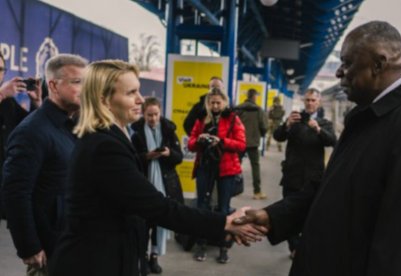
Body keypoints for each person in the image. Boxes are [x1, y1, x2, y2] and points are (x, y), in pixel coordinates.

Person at [234, 21, 401, 276]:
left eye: (347, 63)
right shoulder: (369, 116)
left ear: (379, 64)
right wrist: (273, 216)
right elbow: (330, 189)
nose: (340, 72)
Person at [48, 60, 263, 276]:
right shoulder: (104, 146)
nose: (141, 100)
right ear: (104, 100)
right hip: (93, 264)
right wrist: (224, 223)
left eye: (138, 91)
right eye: (131, 93)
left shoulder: (108, 138)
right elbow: (157, 207)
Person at [2, 54, 87, 275]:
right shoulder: (31, 131)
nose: (85, 89)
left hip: (71, 242)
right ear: (54, 86)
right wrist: (29, 246)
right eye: (77, 82)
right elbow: (16, 193)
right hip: (49, 249)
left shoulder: (71, 125)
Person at [273, 88, 336, 258]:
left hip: (313, 178)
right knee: (288, 213)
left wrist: (318, 130)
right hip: (292, 175)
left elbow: (333, 141)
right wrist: (286, 125)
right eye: (307, 100)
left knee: (310, 214)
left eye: (313, 100)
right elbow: (277, 137)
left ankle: (303, 245)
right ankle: (295, 247)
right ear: (303, 101)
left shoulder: (324, 123)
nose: (310, 103)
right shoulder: (294, 120)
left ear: (319, 102)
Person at [188, 87, 246, 263]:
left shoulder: (233, 119)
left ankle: (223, 247)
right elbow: (191, 143)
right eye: (211, 102)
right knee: (202, 207)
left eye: (218, 102)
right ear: (208, 103)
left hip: (226, 169)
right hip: (205, 167)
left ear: (224, 103)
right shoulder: (201, 119)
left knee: (223, 208)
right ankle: (201, 244)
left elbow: (241, 144)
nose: (214, 105)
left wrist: (221, 141)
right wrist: (198, 140)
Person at [131, 97, 184, 274]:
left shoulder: (169, 130)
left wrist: (168, 154)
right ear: (143, 114)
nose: (153, 119)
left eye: (156, 115)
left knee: (159, 224)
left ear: (160, 113)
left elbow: (179, 157)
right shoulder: (135, 132)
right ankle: (143, 257)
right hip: (144, 183)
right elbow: (132, 160)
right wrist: (147, 157)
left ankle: (155, 256)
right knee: (143, 224)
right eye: (149, 115)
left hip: (165, 184)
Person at [0, 52, 42, 221]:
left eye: (1, 69)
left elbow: (31, 129)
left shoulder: (9, 103)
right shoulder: (4, 97)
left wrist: (37, 103)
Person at [235, 88, 268, 200]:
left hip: (239, 142)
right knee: (255, 166)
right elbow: (264, 126)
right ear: (254, 96)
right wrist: (261, 134)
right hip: (253, 142)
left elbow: (232, 124)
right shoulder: (258, 110)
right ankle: (257, 192)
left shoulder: (238, 108)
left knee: (236, 165)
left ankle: (234, 188)